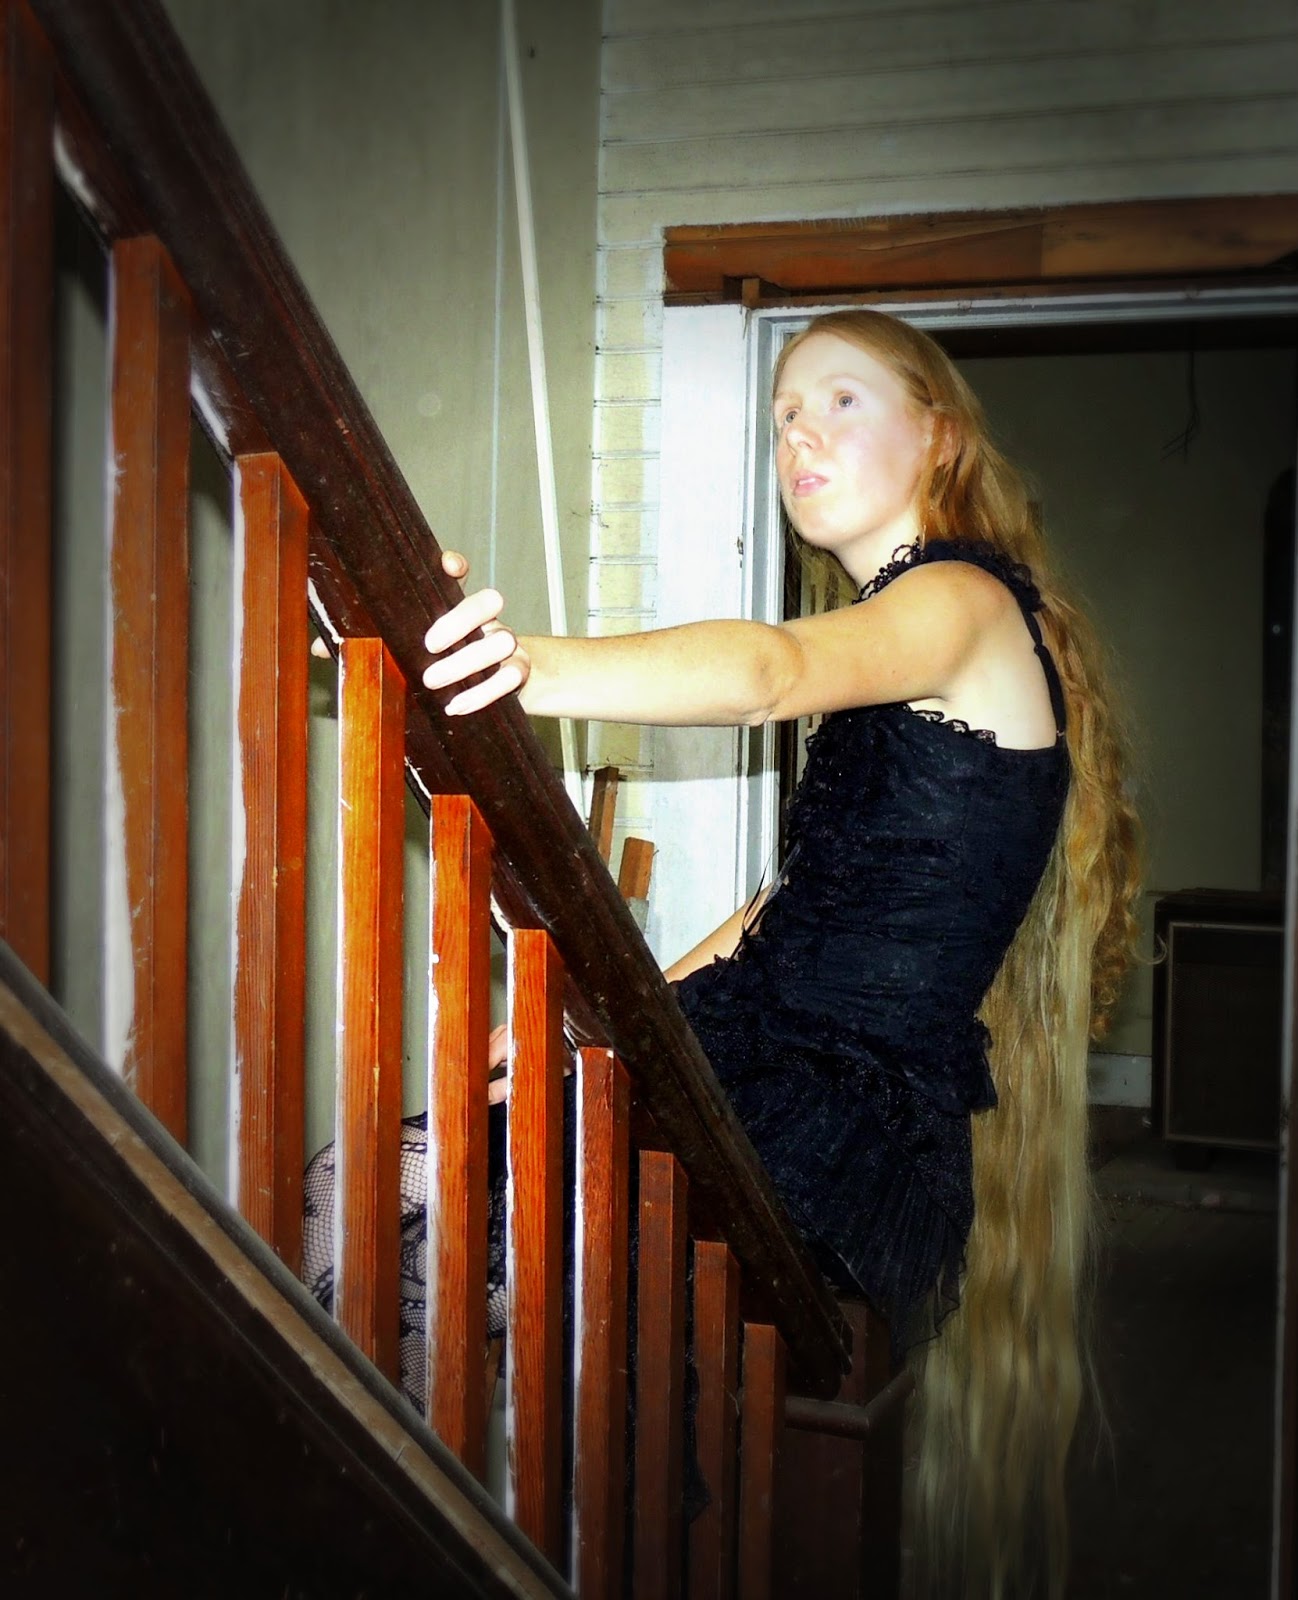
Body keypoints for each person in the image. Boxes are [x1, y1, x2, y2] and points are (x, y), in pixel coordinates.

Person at [324, 308, 1139, 1596]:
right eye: (783, 416)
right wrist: (592, 1025)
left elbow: (764, 672)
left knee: (403, 1218)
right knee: (409, 1220)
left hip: (827, 1109)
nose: (798, 434)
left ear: (940, 434)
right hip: (773, 1064)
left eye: (840, 401)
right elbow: (785, 910)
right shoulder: (909, 638)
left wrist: (521, 667)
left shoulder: (963, 598)